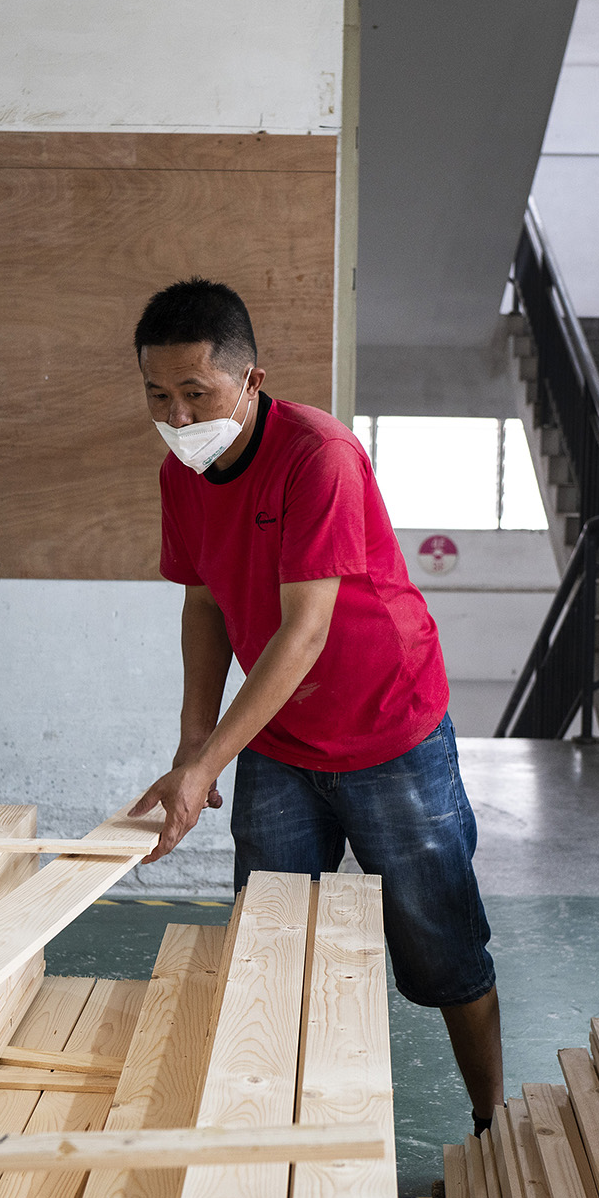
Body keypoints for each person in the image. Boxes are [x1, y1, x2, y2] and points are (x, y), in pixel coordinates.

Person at [127, 277, 505, 1132]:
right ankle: (274, 1142)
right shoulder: (181, 473)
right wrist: (194, 741)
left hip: (388, 728)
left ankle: (493, 1127)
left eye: (197, 394)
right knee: (269, 942)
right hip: (281, 740)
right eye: (157, 395)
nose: (178, 417)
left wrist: (208, 764)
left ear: (250, 380)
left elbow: (303, 634)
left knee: (442, 947)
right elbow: (203, 603)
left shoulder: (318, 455)